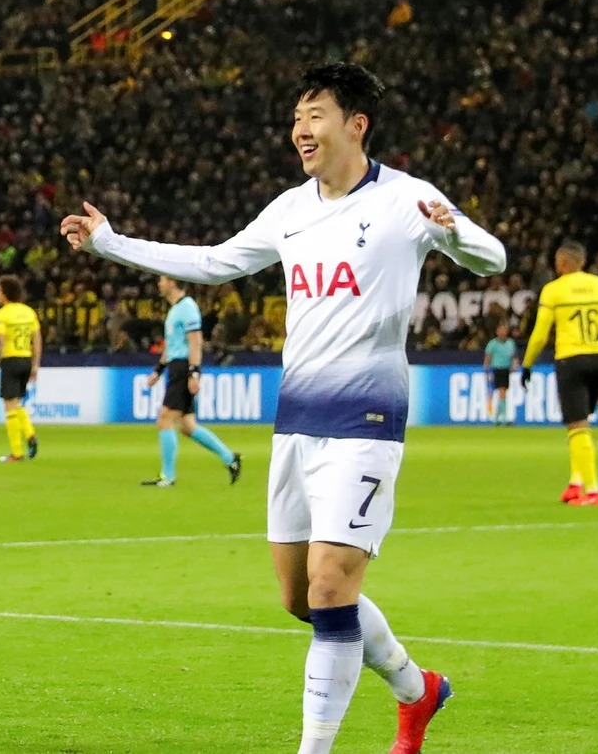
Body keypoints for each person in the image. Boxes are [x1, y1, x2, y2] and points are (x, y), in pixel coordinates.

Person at [62, 63, 505, 754]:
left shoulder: (407, 199)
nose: (301, 129)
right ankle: (419, 691)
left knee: (332, 585)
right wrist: (112, 242)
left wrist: (452, 233)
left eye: (316, 115)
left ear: (356, 124)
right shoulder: (291, 209)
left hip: (367, 420)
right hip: (297, 421)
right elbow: (213, 261)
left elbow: (494, 258)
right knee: (302, 597)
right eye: (297, 117)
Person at [520, 240, 598, 505]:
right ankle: (575, 483)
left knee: (577, 427)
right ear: (582, 261)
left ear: (560, 264)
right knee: (582, 425)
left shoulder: (553, 290)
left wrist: (527, 364)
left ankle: (593, 491)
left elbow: (539, 334)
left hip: (571, 361)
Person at [141, 276, 241, 487]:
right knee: (187, 426)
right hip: (176, 367)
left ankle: (167, 476)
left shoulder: (187, 307)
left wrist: (194, 373)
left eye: (161, 280)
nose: (158, 284)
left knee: (165, 420)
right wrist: (158, 370)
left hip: (183, 367)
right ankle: (230, 458)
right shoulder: (175, 309)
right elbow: (172, 346)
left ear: (172, 283)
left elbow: (195, 342)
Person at [0, 276, 41, 462]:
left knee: (9, 408)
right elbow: (37, 339)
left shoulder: (2, 315)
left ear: (5, 293)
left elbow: (0, 342)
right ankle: (29, 434)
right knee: (16, 403)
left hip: (10, 360)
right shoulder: (29, 312)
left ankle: (17, 452)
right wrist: (36, 364)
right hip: (26, 360)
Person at [482, 321, 517, 426]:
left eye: (505, 329)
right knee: (502, 391)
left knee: (503, 391)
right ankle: (504, 418)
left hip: (506, 369)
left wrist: (515, 364)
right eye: (501, 329)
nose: (503, 331)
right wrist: (487, 371)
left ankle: (497, 417)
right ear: (497, 331)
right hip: (496, 369)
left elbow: (513, 356)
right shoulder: (492, 344)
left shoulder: (510, 343)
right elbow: (488, 358)